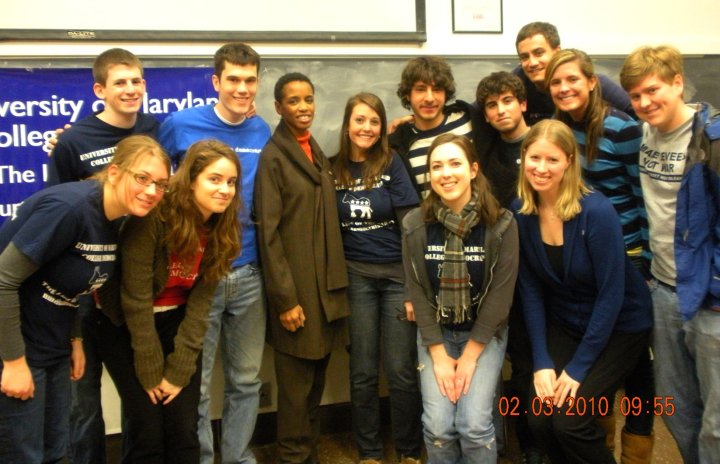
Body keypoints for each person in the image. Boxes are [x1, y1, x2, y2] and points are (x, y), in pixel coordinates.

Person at [0, 134, 170, 464]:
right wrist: (13, 362)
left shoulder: (116, 219)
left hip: (52, 347)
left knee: (55, 452)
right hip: (17, 349)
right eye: (142, 178)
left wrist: (75, 338)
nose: (152, 191)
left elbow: (74, 281)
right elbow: (3, 281)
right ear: (116, 172)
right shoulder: (70, 209)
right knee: (22, 455)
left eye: (160, 184)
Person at [513, 119, 653, 463]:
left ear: (569, 163)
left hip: (621, 325)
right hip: (567, 321)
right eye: (534, 158)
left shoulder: (597, 211)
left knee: (570, 422)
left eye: (552, 160)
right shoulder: (520, 211)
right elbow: (530, 289)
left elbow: (611, 295)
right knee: (540, 418)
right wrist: (543, 362)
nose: (541, 168)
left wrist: (577, 368)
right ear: (524, 158)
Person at [158, 42, 271, 464]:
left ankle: (238, 456)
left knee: (246, 380)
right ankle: (203, 458)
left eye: (249, 80)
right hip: (196, 276)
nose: (242, 89)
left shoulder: (262, 130)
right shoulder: (180, 124)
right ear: (216, 82)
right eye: (233, 80)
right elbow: (145, 166)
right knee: (197, 382)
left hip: (248, 274)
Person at [96, 139, 241, 463]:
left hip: (176, 321)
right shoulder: (155, 216)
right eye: (214, 179)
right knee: (146, 431)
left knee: (183, 429)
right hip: (125, 324)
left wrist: (178, 369)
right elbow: (134, 297)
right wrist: (149, 367)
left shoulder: (223, 229)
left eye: (231, 182)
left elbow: (201, 305)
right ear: (191, 180)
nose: (224, 190)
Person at [45, 47, 157, 464]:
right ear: (100, 89)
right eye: (120, 82)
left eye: (136, 81)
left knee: (136, 394)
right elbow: (55, 209)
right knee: (83, 401)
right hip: (81, 291)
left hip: (130, 285)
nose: (130, 89)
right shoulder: (73, 141)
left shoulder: (153, 129)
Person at [620, 45, 720, 464]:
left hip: (712, 298)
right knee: (676, 409)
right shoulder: (640, 134)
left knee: (717, 423)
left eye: (653, 90)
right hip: (662, 291)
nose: (645, 102)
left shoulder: (712, 140)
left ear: (678, 82)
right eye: (636, 96)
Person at [403, 133, 518, 463]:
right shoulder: (414, 224)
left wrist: (469, 358)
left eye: (455, 163)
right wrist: (438, 354)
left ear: (473, 170)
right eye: (437, 166)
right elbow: (418, 294)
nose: (446, 173)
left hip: (484, 334)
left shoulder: (501, 224)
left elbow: (499, 299)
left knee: (473, 424)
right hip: (435, 335)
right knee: (438, 427)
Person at [255, 72, 349, 464]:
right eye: (293, 101)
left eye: (308, 99)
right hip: (296, 298)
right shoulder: (274, 157)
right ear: (278, 107)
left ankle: (307, 456)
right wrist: (286, 300)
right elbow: (269, 237)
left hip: (325, 295)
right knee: (294, 395)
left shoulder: (315, 152)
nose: (303, 107)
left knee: (313, 389)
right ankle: (294, 457)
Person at [332, 93, 422, 464]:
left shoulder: (392, 162)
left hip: (397, 277)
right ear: (347, 125)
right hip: (356, 279)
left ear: (382, 127)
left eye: (373, 121)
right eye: (359, 120)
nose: (366, 128)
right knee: (363, 370)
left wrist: (415, 288)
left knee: (401, 371)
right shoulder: (331, 168)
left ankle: (409, 450)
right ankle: (369, 451)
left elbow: (412, 226)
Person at [475, 71, 542, 464]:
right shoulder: (487, 151)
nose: (501, 110)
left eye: (507, 101)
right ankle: (524, 444)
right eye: (491, 104)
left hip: (549, 273)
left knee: (541, 360)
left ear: (523, 104)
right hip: (506, 276)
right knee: (516, 364)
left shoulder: (543, 143)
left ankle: (544, 441)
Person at [389, 56, 490, 197]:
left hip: (482, 215)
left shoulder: (472, 120)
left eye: (437, 89)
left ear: (446, 93)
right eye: (420, 89)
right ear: (408, 95)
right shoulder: (399, 145)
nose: (429, 98)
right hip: (429, 217)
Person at [513, 21, 634, 126]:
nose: (532, 62)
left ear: (557, 51)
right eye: (524, 57)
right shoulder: (516, 82)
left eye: (539, 53)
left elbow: (637, 111)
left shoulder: (593, 82)